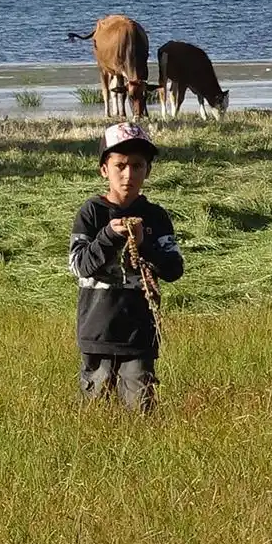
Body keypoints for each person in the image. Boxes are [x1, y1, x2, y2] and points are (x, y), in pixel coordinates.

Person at [68, 123, 184, 412]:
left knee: (141, 412)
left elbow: (173, 269)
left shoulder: (155, 217)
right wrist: (108, 236)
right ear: (104, 169)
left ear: (148, 170)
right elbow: (80, 266)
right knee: (96, 415)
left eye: (137, 166)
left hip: (139, 336)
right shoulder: (91, 213)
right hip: (97, 333)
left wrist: (144, 243)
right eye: (120, 165)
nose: (128, 174)